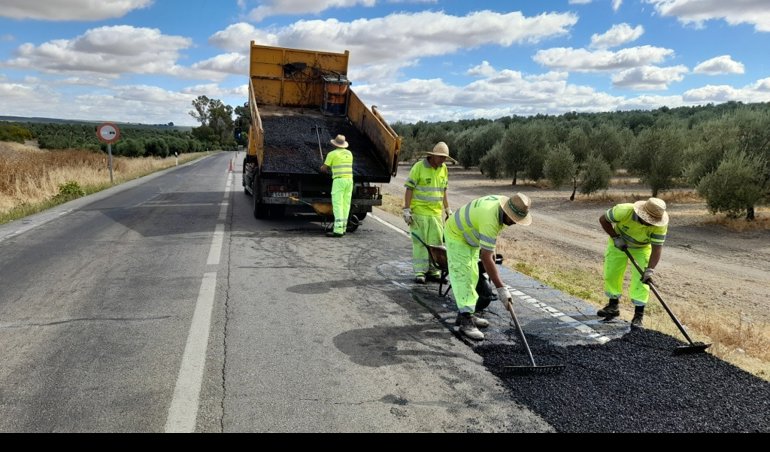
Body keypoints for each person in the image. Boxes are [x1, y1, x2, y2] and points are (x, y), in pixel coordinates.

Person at [445, 193, 532, 340]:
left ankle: (465, 314)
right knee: (464, 276)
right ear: (506, 212)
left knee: (473, 275)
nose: (515, 222)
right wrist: (501, 289)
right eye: (514, 219)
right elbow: (486, 257)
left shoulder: (502, 206)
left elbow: (490, 244)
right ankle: (466, 321)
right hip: (457, 235)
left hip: (470, 237)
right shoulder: (490, 218)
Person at [597, 197, 669, 327]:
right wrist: (615, 237)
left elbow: (657, 248)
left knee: (642, 281)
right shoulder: (623, 211)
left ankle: (638, 315)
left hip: (641, 249)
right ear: (641, 214)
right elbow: (603, 220)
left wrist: (650, 270)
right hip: (618, 243)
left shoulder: (660, 225)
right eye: (648, 220)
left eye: (653, 222)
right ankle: (613, 306)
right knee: (612, 273)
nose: (650, 224)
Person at [403, 142, 454, 284]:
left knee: (436, 243)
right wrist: (407, 209)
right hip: (419, 213)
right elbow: (409, 189)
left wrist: (447, 209)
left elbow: (443, 191)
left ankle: (434, 270)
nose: (443, 161)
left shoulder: (443, 169)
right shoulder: (419, 168)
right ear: (433, 156)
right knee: (420, 243)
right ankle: (420, 271)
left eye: (445, 158)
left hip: (436, 214)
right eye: (441, 157)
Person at [319, 134, 354, 237]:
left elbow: (324, 168)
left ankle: (338, 231)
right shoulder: (350, 153)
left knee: (338, 205)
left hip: (339, 181)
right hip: (349, 181)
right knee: (346, 205)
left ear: (335, 144)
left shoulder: (332, 154)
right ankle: (343, 228)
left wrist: (322, 167)